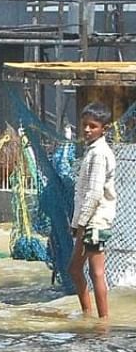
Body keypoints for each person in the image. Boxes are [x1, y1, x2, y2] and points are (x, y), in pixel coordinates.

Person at [69, 101, 118, 319]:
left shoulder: (99, 153)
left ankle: (102, 321)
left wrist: (80, 224)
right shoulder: (93, 151)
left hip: (93, 222)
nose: (87, 130)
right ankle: (88, 314)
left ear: (103, 129)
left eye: (93, 126)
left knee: (96, 272)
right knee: (75, 269)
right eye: (85, 125)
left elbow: (94, 193)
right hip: (88, 221)